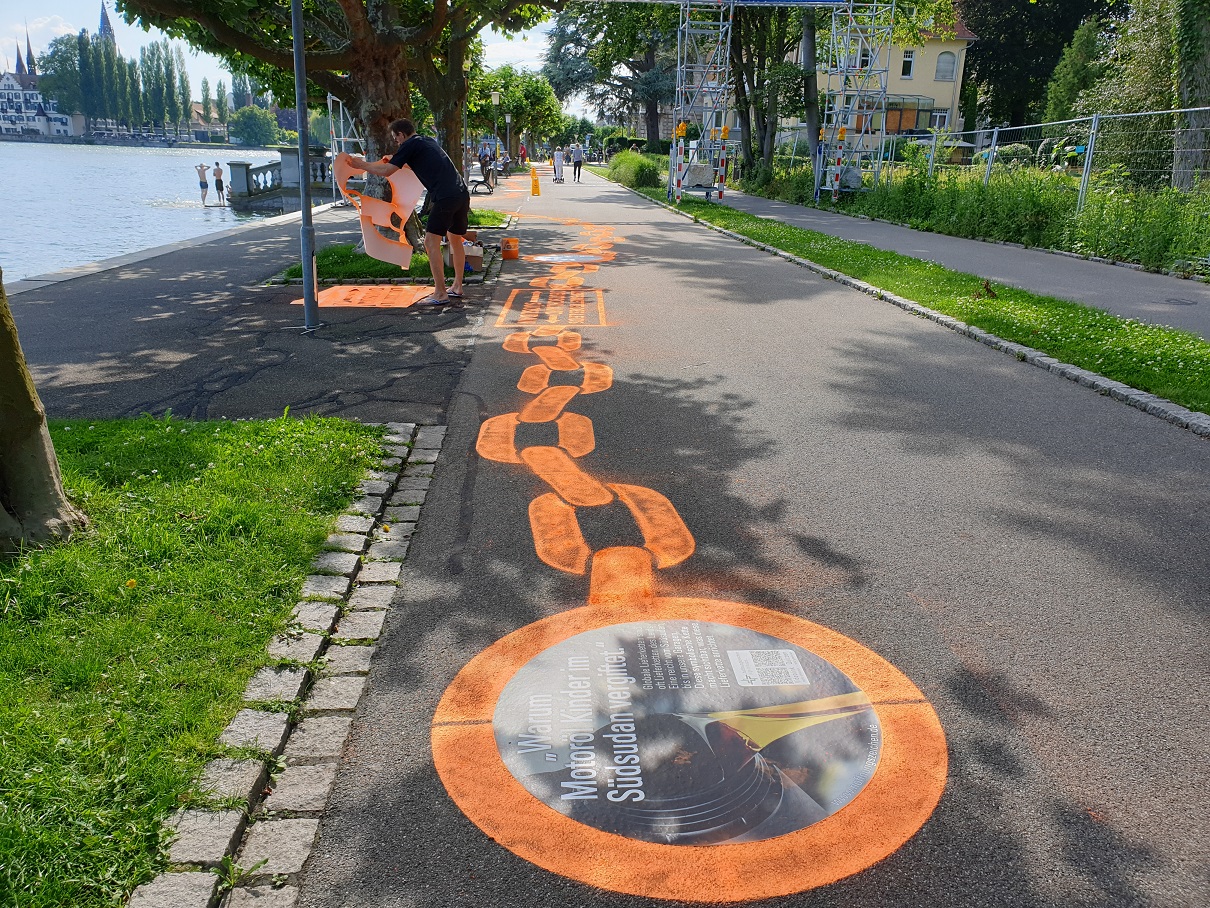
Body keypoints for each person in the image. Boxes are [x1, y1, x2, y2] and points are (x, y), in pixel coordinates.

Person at [347, 118, 469, 305]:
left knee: (430, 242)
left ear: (401, 135)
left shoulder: (409, 144)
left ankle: (440, 293)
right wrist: (397, 161)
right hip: (461, 193)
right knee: (455, 240)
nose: (396, 142)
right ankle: (458, 286)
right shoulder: (425, 141)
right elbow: (419, 163)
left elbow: (387, 171)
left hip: (445, 197)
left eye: (396, 138)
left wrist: (361, 165)